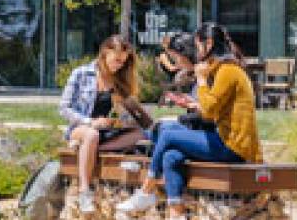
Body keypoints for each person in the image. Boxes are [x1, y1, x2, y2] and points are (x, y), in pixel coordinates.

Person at [118, 23, 261, 218]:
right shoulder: (224, 69)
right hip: (226, 140)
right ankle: (177, 212)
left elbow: (210, 111)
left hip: (233, 146)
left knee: (167, 133)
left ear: (208, 43)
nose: (197, 50)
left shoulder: (227, 70)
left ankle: (146, 190)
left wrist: (201, 81)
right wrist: (194, 103)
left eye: (198, 45)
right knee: (171, 155)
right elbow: (214, 108)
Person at [59, 35, 155, 217]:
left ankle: (91, 151)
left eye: (123, 62)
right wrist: (90, 122)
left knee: (139, 134)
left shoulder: (119, 81)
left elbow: (131, 115)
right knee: (91, 135)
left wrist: (124, 117)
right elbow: (64, 108)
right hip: (81, 128)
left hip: (108, 132)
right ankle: (84, 191)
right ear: (105, 53)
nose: (119, 65)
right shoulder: (81, 73)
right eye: (117, 60)